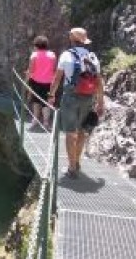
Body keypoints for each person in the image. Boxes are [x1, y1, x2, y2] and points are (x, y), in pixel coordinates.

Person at [48, 27, 104, 178]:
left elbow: (57, 78)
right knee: (81, 132)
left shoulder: (66, 55)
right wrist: (100, 102)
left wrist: (51, 95)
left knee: (70, 133)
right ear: (84, 41)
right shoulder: (92, 56)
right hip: (88, 97)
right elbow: (98, 81)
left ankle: (71, 167)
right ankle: (77, 161)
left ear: (72, 39)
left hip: (70, 98)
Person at [25, 35, 57, 131]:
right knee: (46, 103)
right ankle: (46, 122)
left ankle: (35, 120)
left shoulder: (34, 55)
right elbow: (54, 69)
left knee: (36, 101)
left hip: (36, 82)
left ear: (36, 45)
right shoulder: (52, 55)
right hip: (49, 83)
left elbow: (31, 70)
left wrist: (26, 82)